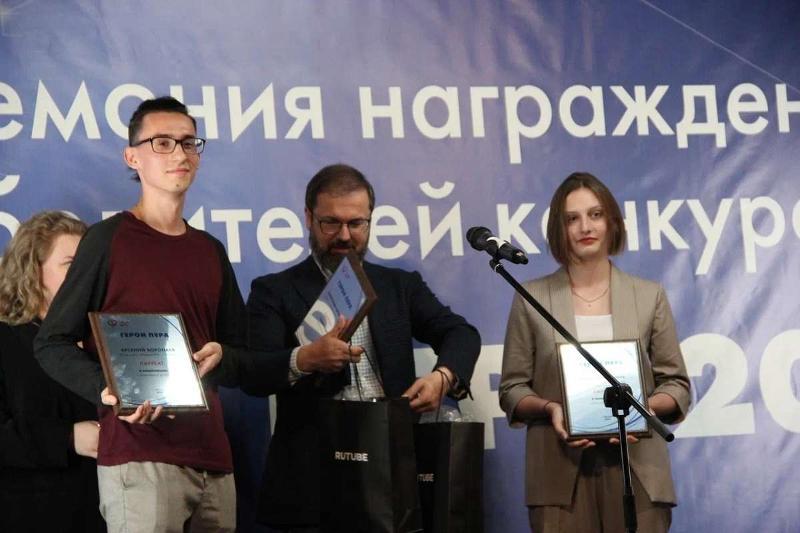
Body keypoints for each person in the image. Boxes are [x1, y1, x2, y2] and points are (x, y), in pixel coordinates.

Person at [34, 96, 255, 533]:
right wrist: (107, 390)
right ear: (132, 157)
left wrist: (223, 356)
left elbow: (244, 355)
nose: (179, 153)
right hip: (139, 457)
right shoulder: (107, 240)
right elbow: (51, 341)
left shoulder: (210, 250)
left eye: (189, 143)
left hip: (213, 458)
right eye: (162, 142)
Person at [244, 163, 481, 531]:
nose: (344, 236)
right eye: (330, 223)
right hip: (314, 483)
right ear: (308, 218)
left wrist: (443, 378)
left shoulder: (400, 286)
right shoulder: (274, 291)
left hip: (394, 475)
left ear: (370, 220)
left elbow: (461, 333)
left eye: (356, 223)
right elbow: (253, 373)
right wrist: (305, 359)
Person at [499, 172, 691, 533]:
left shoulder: (649, 295)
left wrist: (643, 410)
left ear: (612, 222)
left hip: (639, 469)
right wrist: (552, 408)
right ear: (559, 229)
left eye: (595, 214)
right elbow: (512, 390)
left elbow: (677, 385)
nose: (585, 227)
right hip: (558, 474)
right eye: (572, 218)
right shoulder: (531, 298)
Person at [0, 211, 105, 532]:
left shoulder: (103, 341)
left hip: (108, 514)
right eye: (70, 264)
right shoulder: (5, 339)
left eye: (88, 264)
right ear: (33, 271)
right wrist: (68, 437)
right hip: (30, 514)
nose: (84, 275)